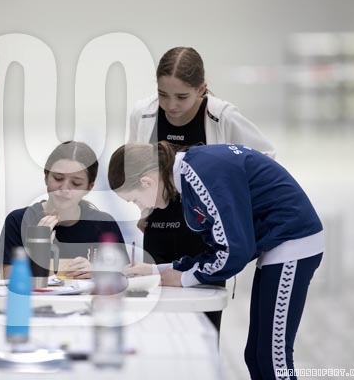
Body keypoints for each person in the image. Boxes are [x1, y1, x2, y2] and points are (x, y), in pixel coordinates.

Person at [108, 141, 324, 379]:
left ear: (147, 182)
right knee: (256, 355)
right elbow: (216, 250)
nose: (141, 207)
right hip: (277, 244)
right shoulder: (191, 174)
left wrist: (183, 278)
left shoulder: (201, 174)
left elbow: (234, 251)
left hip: (292, 241)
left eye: (135, 200)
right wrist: (157, 270)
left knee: (273, 357)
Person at [127, 46, 275, 331]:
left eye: (182, 97)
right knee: (157, 328)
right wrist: (144, 210)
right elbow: (135, 168)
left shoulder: (224, 116)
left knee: (204, 329)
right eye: (162, 94)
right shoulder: (142, 114)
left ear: (202, 89)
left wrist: (238, 216)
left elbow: (265, 160)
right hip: (158, 232)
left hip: (206, 240)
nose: (171, 105)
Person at [0, 141, 128, 279]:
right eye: (58, 178)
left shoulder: (104, 223)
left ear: (89, 187)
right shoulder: (19, 220)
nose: (64, 188)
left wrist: (99, 271)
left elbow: (125, 275)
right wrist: (38, 250)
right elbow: (8, 279)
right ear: (46, 177)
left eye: (76, 183)